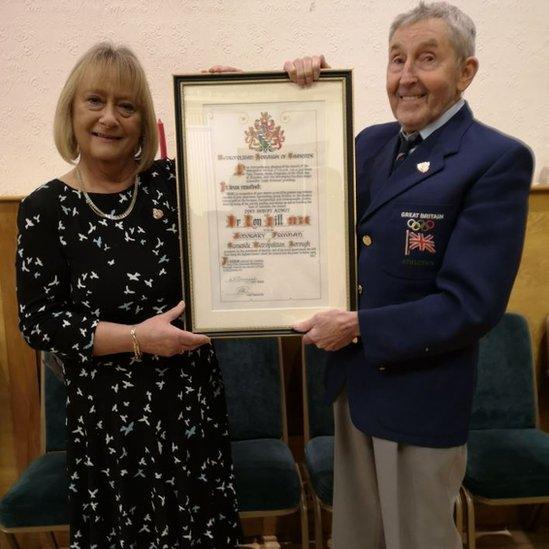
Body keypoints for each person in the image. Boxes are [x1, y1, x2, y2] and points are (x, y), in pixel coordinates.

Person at [285, 2, 534, 548]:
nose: (407, 77)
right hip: (355, 388)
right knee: (357, 540)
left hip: (422, 400)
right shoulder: (370, 145)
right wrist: (278, 98)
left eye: (427, 59)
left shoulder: (495, 158)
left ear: (466, 72)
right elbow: (290, 189)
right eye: (397, 60)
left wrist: (358, 328)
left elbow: (471, 305)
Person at [16, 43, 241, 548]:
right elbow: (39, 322)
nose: (109, 118)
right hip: (107, 422)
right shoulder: (44, 208)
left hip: (190, 407)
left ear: (143, 122)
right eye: (94, 101)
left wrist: (228, 98)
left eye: (127, 105)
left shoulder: (172, 186)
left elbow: (246, 180)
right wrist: (140, 338)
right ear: (71, 111)